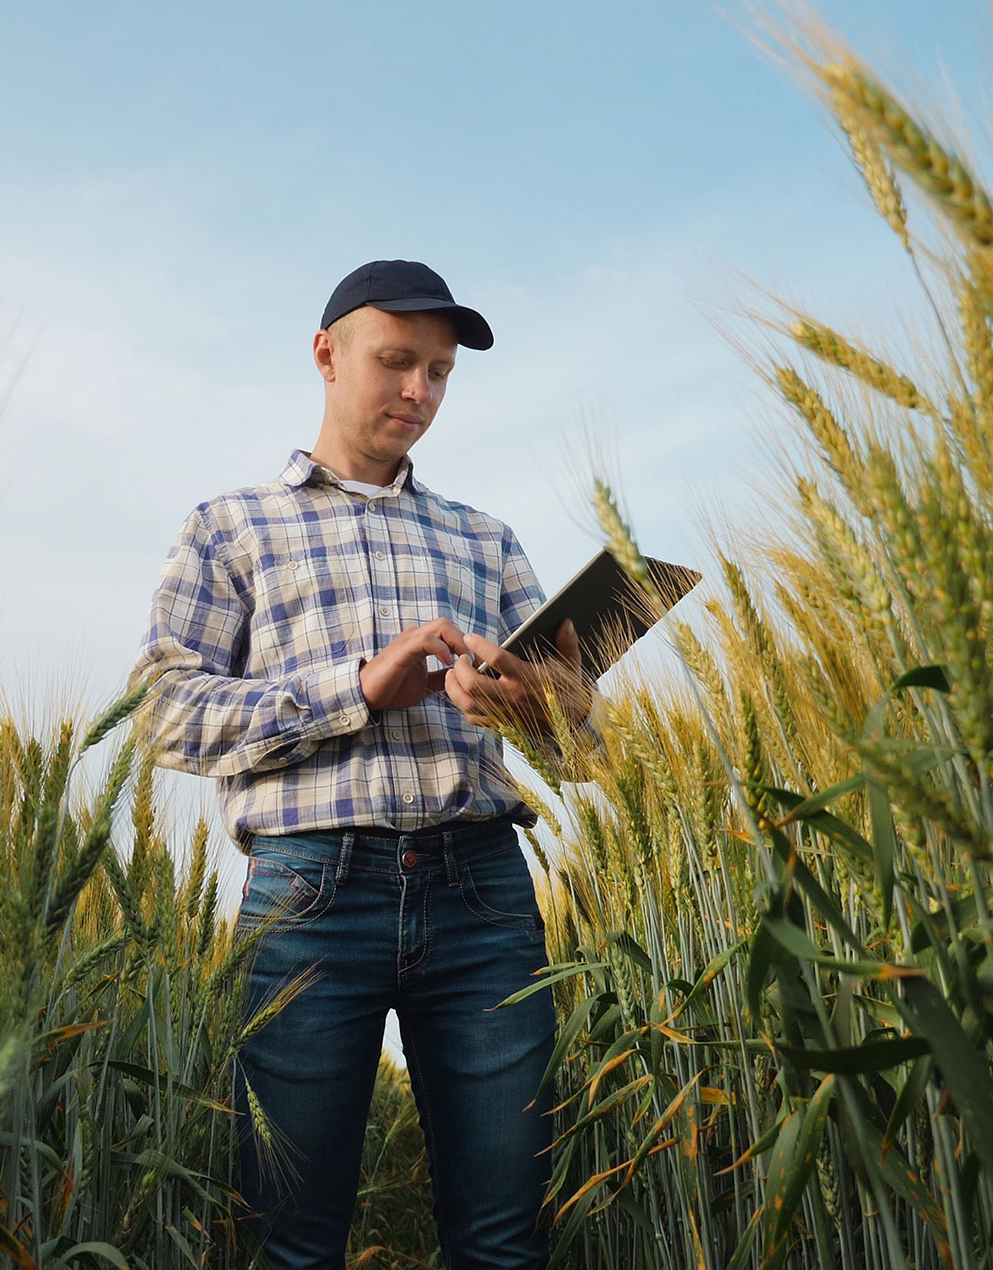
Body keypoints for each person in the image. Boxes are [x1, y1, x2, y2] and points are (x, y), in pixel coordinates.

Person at [127, 259, 596, 1269]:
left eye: (438, 373)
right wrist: (357, 690)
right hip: (310, 893)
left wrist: (533, 711)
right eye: (395, 363)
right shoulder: (230, 527)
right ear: (325, 354)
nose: (418, 393)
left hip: (482, 891)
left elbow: (586, 749)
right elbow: (163, 714)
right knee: (289, 1235)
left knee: (506, 1232)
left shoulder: (487, 542)